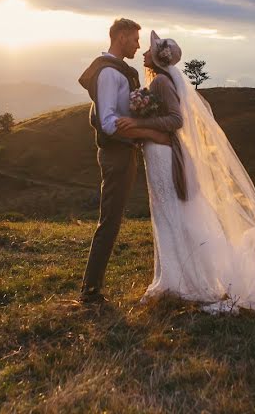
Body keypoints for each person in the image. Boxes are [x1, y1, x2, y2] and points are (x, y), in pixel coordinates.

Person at [116, 31, 255, 321]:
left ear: (156, 58)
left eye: (150, 50)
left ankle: (191, 283)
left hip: (164, 157)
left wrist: (139, 123)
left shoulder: (162, 83)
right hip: (156, 155)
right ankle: (172, 279)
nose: (143, 52)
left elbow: (176, 120)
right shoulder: (158, 81)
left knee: (174, 215)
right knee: (167, 217)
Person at [77, 18, 171, 304]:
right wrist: (147, 133)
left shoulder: (118, 72)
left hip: (124, 150)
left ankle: (91, 287)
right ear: (120, 37)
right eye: (134, 39)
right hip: (116, 154)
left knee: (113, 218)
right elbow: (106, 122)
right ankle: (90, 291)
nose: (138, 45)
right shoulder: (109, 74)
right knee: (111, 220)